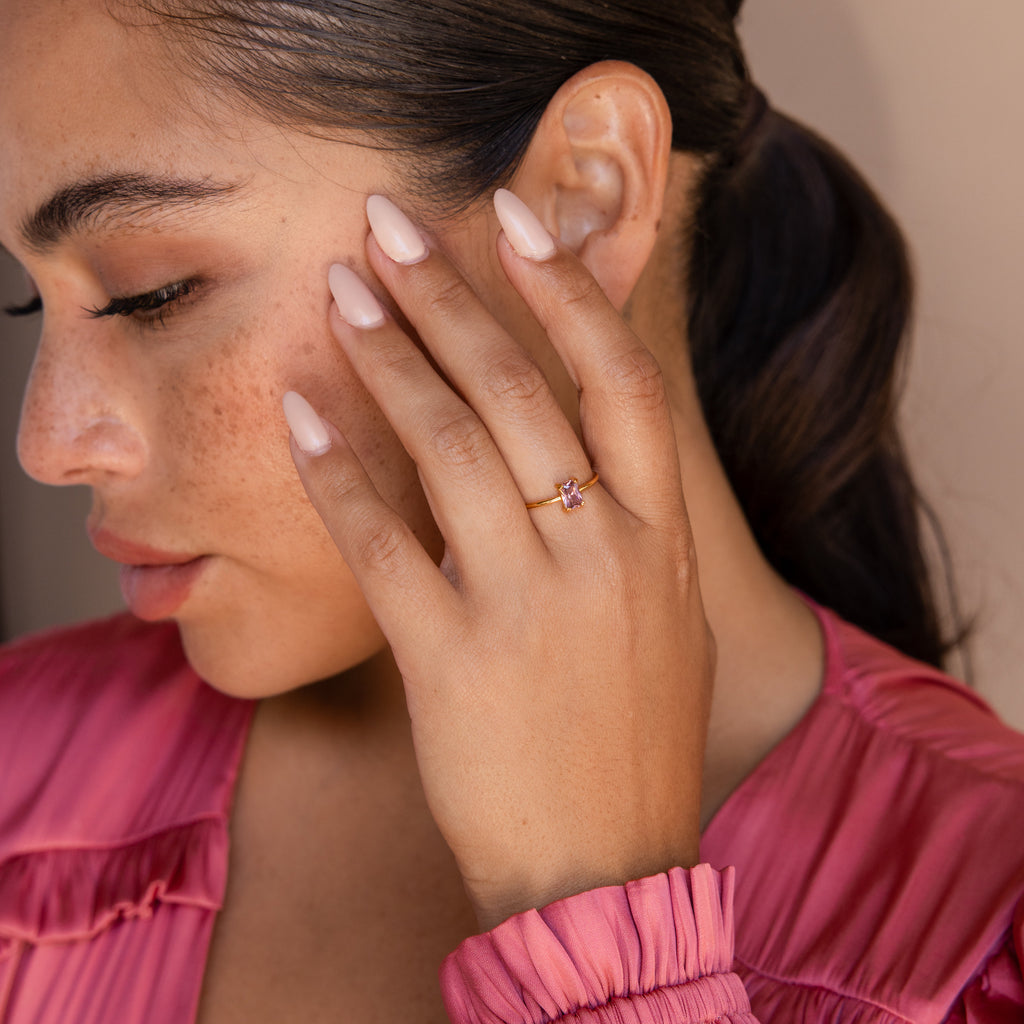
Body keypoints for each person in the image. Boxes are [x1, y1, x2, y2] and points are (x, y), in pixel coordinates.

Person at [0, 0, 1021, 1021]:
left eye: (152, 290)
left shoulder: (985, 942)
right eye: (27, 300)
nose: (46, 443)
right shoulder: (19, 783)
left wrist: (600, 922)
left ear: (585, 190)